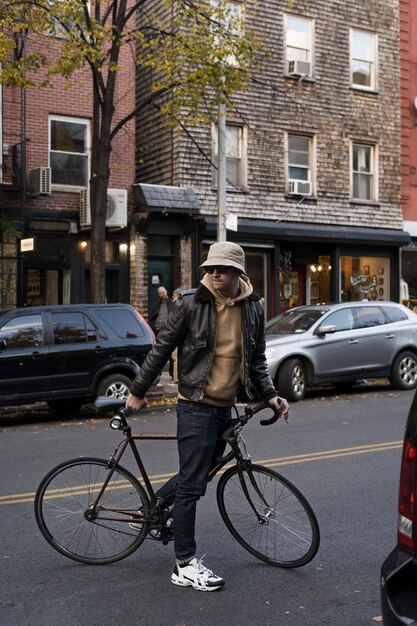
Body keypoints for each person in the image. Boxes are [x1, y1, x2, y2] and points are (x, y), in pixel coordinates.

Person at [126, 242, 289, 592]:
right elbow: (161, 348)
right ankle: (184, 564)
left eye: (223, 269)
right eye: (210, 268)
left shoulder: (254, 309)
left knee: (199, 472)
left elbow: (257, 360)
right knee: (193, 485)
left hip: (224, 406)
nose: (214, 274)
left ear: (239, 273)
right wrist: (138, 390)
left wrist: (271, 394)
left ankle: (154, 505)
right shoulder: (190, 303)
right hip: (195, 404)